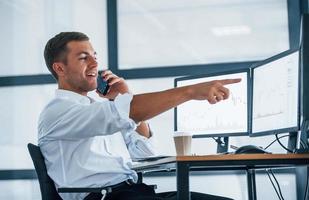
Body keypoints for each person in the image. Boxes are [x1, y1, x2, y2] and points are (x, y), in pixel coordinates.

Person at [39, 32, 240, 200]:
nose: (95, 64)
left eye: (95, 56)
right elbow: (124, 113)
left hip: (131, 192)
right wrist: (190, 92)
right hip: (106, 197)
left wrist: (125, 96)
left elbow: (144, 151)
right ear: (60, 68)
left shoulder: (97, 109)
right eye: (84, 58)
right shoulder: (58, 111)